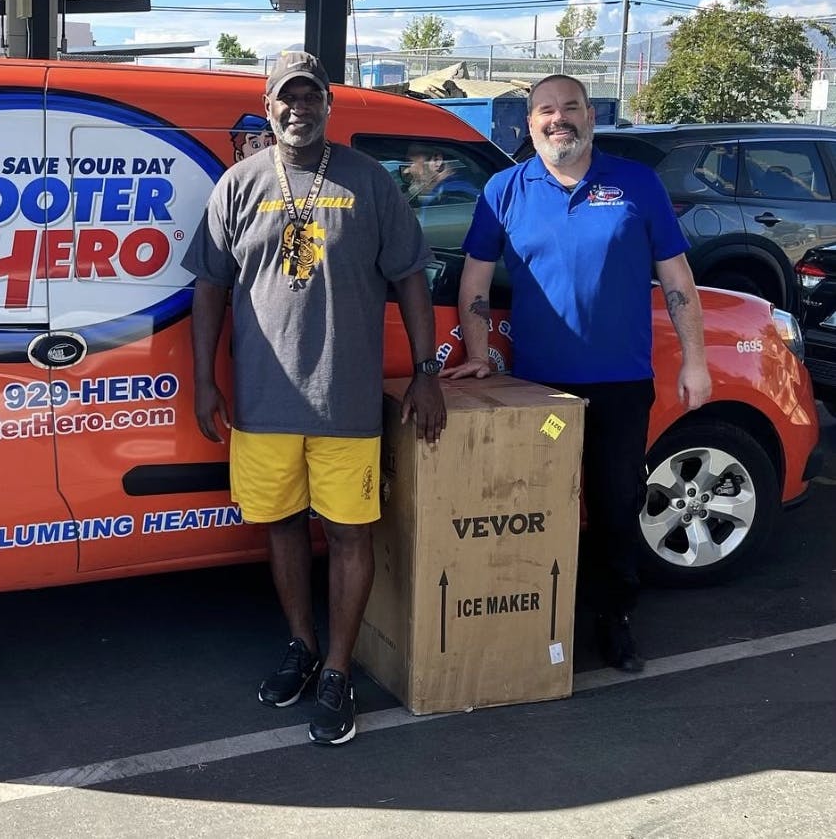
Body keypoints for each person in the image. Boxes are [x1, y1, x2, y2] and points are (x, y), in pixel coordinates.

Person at [182, 51, 446, 746]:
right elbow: (208, 287)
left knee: (350, 532)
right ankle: (301, 645)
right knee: (280, 526)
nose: (299, 108)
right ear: (268, 109)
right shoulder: (237, 185)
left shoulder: (368, 181)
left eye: (311, 97)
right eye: (286, 99)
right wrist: (205, 378)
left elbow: (413, 277)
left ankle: (337, 670)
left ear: (329, 104)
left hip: (345, 401)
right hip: (262, 402)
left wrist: (427, 369)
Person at [441, 73, 711, 673]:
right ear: (528, 121)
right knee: (542, 508)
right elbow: (475, 282)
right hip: (540, 393)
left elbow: (677, 282)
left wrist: (696, 360)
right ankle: (541, 617)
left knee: (616, 505)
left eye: (569, 108)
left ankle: (613, 618)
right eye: (545, 110)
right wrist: (482, 353)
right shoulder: (504, 189)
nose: (557, 118)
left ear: (590, 116)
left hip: (620, 385)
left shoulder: (637, 185)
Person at [399, 143, 479, 206]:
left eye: (411, 163)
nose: (406, 171)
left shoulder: (455, 198)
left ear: (437, 161)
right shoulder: (437, 194)